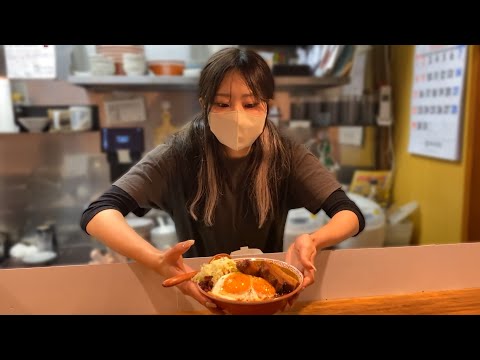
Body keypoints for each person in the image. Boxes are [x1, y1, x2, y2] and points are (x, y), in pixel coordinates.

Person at [81, 47, 365, 312]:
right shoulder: (177, 154)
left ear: (267, 105)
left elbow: (349, 214)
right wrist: (156, 260)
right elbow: (98, 213)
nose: (238, 116)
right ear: (205, 104)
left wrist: (313, 240)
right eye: (222, 103)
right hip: (198, 296)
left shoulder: (286, 154)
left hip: (268, 297)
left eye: (251, 103)